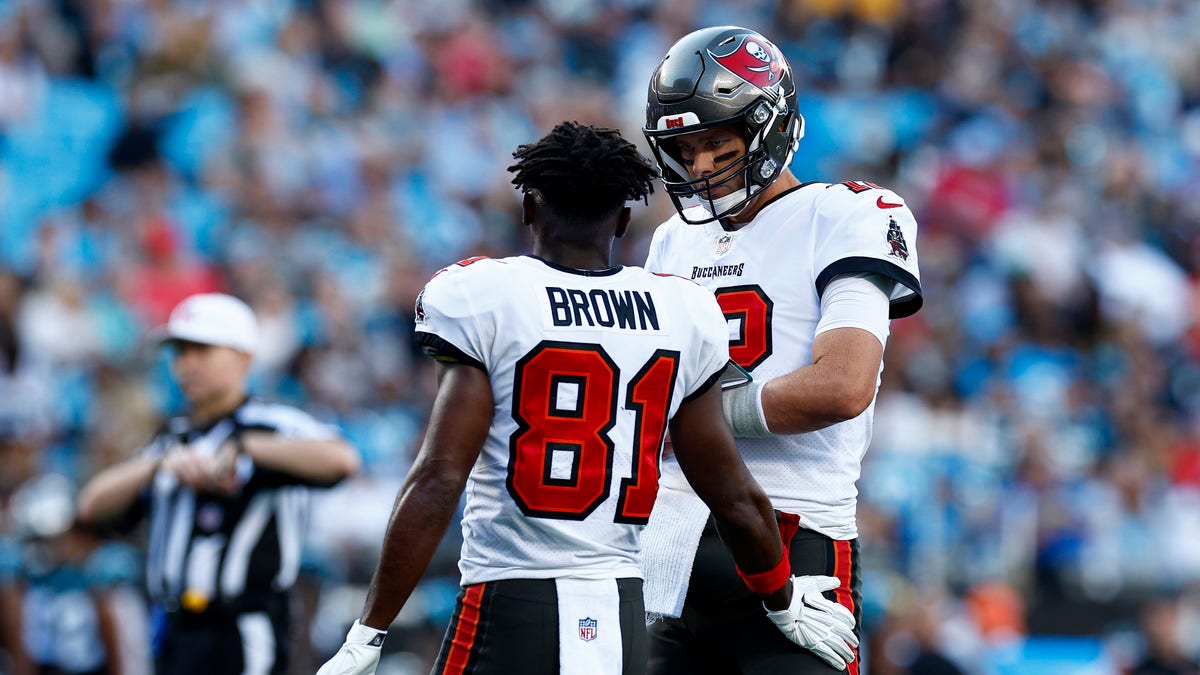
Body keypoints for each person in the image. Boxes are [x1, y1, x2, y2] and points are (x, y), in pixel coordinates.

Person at [317, 121, 857, 675]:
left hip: (509, 601)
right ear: (623, 219)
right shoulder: (681, 311)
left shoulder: (485, 295)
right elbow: (733, 494)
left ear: (529, 208)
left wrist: (370, 630)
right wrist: (781, 597)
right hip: (621, 612)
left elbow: (438, 479)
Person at [638, 26, 923, 675]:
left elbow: (843, 386)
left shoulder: (847, 213)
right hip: (671, 544)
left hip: (797, 537)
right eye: (685, 147)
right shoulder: (672, 244)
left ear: (766, 125)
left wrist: (698, 416)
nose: (701, 165)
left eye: (716, 141)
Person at [76, 292, 361, 675]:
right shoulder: (173, 438)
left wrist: (246, 448)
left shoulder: (272, 425)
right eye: (180, 352)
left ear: (244, 357)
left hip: (243, 627)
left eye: (202, 351)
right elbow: (92, 506)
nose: (186, 364)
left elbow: (342, 460)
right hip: (174, 626)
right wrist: (158, 465)